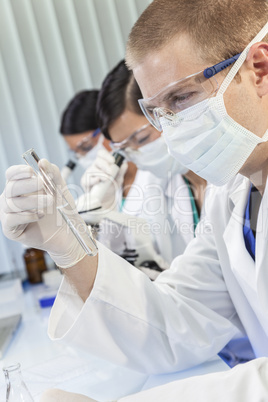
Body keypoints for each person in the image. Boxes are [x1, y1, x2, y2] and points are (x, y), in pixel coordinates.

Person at [1, 0, 268, 400]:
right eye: (158, 112)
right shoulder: (231, 196)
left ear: (258, 67)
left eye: (181, 98)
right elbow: (177, 320)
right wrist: (66, 244)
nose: (172, 132)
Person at [94, 59, 206, 276]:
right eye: (126, 148)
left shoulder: (231, 174)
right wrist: (104, 214)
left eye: (142, 138)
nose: (137, 154)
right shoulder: (162, 182)